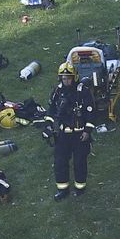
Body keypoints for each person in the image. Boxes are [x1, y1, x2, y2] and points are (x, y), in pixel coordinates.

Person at [49, 61, 98, 200]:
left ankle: (80, 188)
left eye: (68, 78)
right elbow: (51, 110)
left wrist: (87, 131)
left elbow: (91, 112)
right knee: (60, 162)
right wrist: (48, 126)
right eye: (63, 78)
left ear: (75, 77)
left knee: (79, 162)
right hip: (63, 134)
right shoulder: (57, 91)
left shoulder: (83, 92)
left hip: (79, 135)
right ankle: (62, 189)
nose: (66, 81)